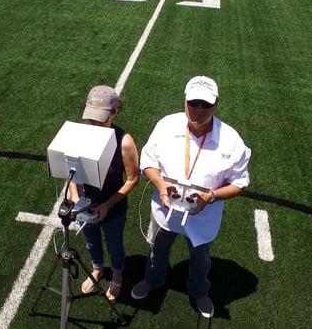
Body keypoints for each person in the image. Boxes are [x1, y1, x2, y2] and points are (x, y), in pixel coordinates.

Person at [130, 76, 251, 318]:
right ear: (185, 101)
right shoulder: (166, 125)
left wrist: (211, 196)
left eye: (206, 104)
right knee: (157, 248)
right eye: (194, 102)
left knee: (201, 259)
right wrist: (161, 184)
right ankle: (153, 280)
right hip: (165, 209)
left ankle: (199, 292)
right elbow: (147, 162)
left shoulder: (231, 140)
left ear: (216, 105)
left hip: (202, 217)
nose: (199, 109)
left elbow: (240, 183)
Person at [69, 85, 140, 301]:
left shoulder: (124, 141)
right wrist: (75, 196)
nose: (96, 124)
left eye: (101, 119)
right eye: (92, 118)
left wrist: (107, 205)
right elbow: (71, 170)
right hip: (87, 203)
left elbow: (133, 179)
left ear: (114, 112)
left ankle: (117, 273)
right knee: (91, 241)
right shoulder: (82, 134)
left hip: (114, 207)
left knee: (114, 242)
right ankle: (97, 268)